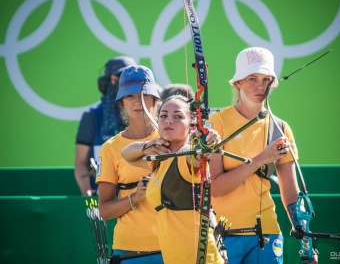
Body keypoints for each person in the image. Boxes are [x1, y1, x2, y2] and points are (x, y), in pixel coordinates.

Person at [207, 47, 318, 263]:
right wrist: (261, 159)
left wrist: (307, 240)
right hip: (223, 235)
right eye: (253, 78)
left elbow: (290, 192)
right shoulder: (218, 123)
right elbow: (216, 188)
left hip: (266, 234)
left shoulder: (280, 128)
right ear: (238, 82)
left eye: (267, 79)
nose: (261, 86)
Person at [121, 95, 226, 264]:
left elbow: (196, 156)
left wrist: (205, 144)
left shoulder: (187, 156)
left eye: (178, 116)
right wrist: (147, 146)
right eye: (163, 116)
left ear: (192, 123)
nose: (169, 121)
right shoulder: (160, 159)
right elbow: (126, 154)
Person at [96, 64, 163, 263]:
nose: (137, 102)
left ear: (155, 100)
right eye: (130, 96)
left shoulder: (172, 138)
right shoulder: (110, 148)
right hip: (130, 250)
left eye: (144, 95)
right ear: (122, 103)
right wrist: (136, 196)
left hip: (172, 246)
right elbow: (105, 211)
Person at [74, 56, 136, 196]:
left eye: (127, 77)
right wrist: (86, 190)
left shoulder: (143, 114)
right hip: (101, 195)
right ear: (107, 81)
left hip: (136, 196)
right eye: (119, 76)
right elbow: (80, 162)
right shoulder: (92, 116)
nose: (122, 81)